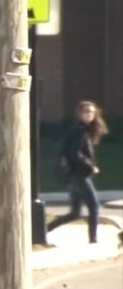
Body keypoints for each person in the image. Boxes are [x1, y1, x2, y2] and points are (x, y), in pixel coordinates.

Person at [49, 100, 110, 244]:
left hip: (75, 176)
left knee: (75, 214)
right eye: (86, 111)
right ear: (79, 114)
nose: (89, 114)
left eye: (91, 112)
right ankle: (93, 240)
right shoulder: (80, 131)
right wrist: (91, 166)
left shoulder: (83, 130)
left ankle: (43, 230)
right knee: (94, 206)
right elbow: (74, 153)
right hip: (79, 176)